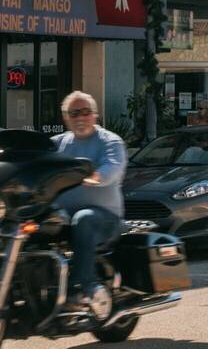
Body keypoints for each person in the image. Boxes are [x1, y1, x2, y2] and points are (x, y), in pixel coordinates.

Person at [50, 91, 126, 309]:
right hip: (64, 217)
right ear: (66, 118)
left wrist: (97, 176)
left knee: (84, 219)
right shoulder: (57, 144)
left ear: (95, 114)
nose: (80, 117)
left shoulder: (109, 141)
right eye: (74, 113)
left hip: (104, 219)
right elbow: (35, 159)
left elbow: (113, 166)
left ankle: (83, 287)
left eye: (85, 112)